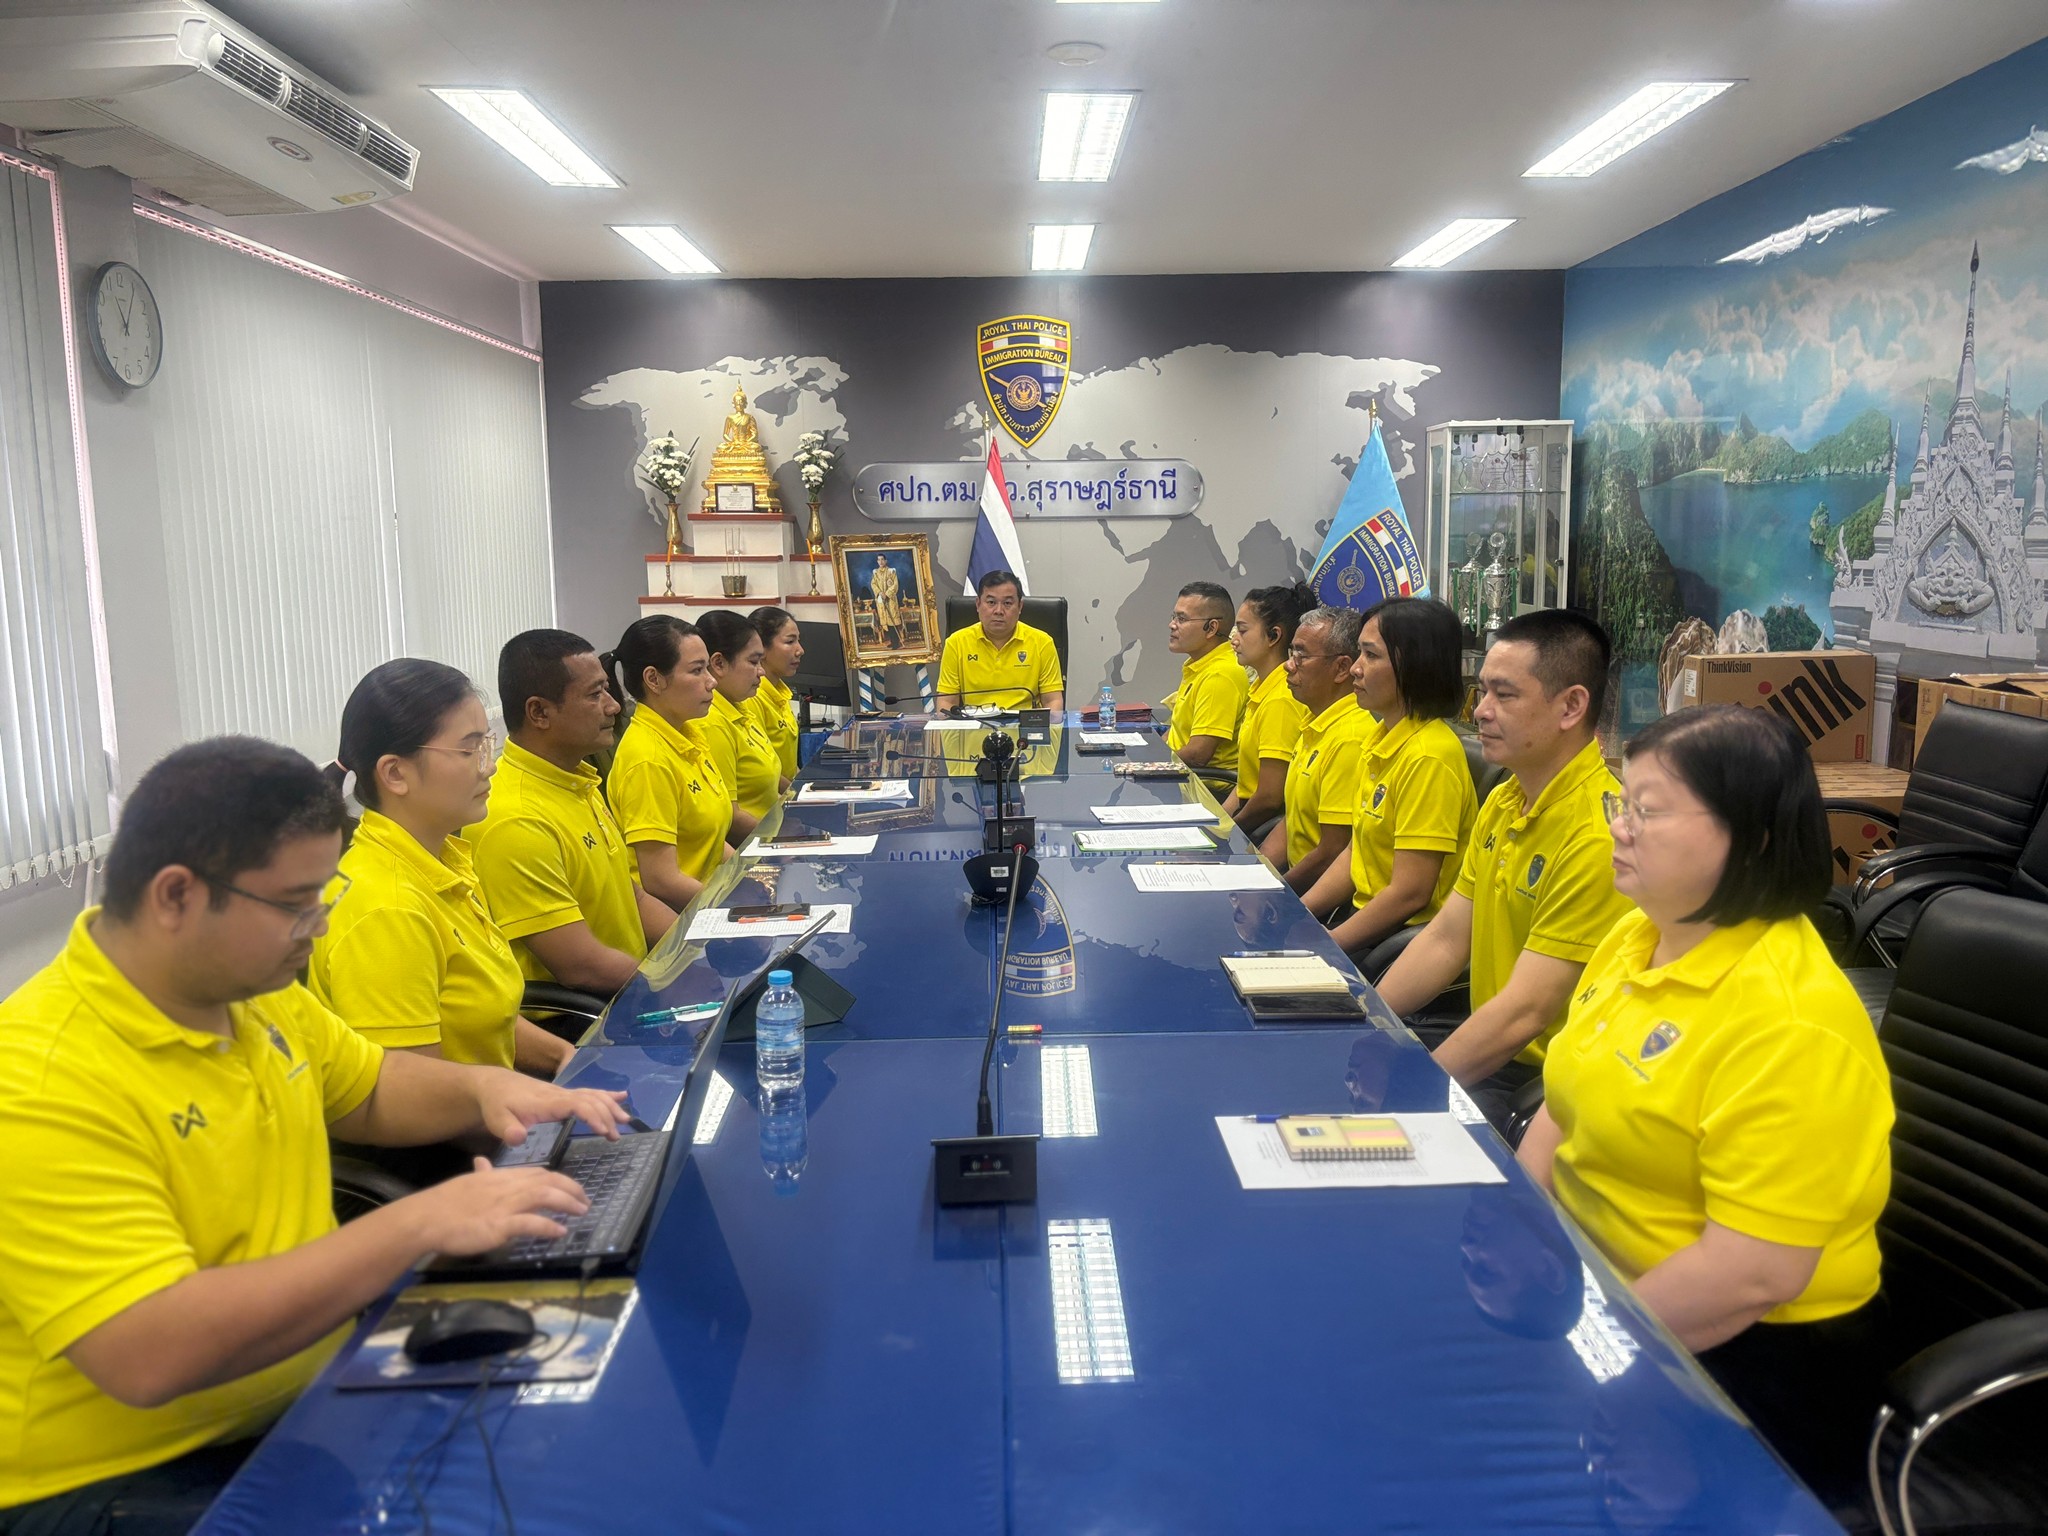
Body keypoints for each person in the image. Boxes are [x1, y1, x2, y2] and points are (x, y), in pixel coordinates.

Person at [0, 738, 628, 1530]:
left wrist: (484, 1087)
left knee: (551, 1451)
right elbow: (148, 1351)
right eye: (298, 904)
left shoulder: (249, 989)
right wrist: (418, 1225)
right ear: (176, 895)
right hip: (120, 1477)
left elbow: (369, 1088)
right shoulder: (39, 1080)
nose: (318, 926)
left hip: (303, 1391)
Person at [1519, 704, 1891, 1500]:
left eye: (1647, 811)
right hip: (1600, 1286)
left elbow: (1749, 1275)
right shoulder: (1639, 937)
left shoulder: (1789, 1021)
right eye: (1620, 801)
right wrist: (1521, 1228)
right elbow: (1558, 1106)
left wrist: (1578, 1350)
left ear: (1752, 839)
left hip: (1746, 1356)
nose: (1618, 827)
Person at [1375, 609, 1634, 1120]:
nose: (1480, 711)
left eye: (1504, 695)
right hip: (1488, 1043)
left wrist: (1406, 1093)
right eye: (1483, 692)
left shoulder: (1599, 836)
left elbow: (1526, 1014)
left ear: (1571, 706)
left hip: (1542, 1082)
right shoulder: (1505, 798)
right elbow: (1446, 939)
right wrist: (1367, 1021)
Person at [311, 660, 572, 1079]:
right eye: (469, 751)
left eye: (486, 745)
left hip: (498, 1099)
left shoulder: (442, 858)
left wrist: (565, 1057)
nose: (489, 765)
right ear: (396, 773)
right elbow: (414, 1098)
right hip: (466, 1119)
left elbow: (484, 1016)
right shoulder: (387, 910)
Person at [469, 629, 676, 996]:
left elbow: (635, 899)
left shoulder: (573, 779)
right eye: (595, 695)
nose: (614, 706)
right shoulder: (516, 819)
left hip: (630, 984)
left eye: (607, 691)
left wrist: (693, 951)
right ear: (539, 712)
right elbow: (581, 967)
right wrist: (674, 981)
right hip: (588, 1013)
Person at [1303, 598, 1476, 959]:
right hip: (1363, 922)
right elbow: (1355, 853)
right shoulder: (1381, 739)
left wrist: (1327, 945)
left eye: (1371, 655)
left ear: (1415, 665)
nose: (1355, 668)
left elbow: (1410, 894)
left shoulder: (1429, 755)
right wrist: (1299, 913)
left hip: (1402, 944)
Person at [604, 616, 733, 910]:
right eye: (697, 670)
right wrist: (731, 906)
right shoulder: (648, 759)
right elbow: (661, 880)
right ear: (654, 679)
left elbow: (710, 844)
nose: (712, 681)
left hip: (709, 897)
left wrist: (752, 876)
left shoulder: (687, 734)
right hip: (680, 915)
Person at [1257, 606, 1369, 895]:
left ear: (1342, 668)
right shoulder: (1315, 720)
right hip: (1296, 878)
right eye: (1291, 652)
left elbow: (1332, 851)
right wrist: (1255, 872)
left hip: (1320, 895)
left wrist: (1272, 894)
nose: (1288, 665)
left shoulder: (1350, 737)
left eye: (1301, 656)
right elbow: (1293, 820)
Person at [1220, 582, 1313, 833]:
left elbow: (1270, 798)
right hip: (1247, 814)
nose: (1234, 640)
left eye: (1242, 631)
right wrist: (1217, 822)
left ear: (1273, 635)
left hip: (1260, 827)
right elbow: (1244, 785)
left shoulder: (1281, 699)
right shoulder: (1262, 688)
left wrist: (1228, 833)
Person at [685, 610, 782, 844]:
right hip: (750, 845)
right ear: (719, 663)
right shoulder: (712, 722)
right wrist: (782, 839)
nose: (761, 671)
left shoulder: (741, 707)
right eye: (753, 662)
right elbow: (731, 816)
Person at [933, 569, 1064, 713]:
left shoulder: (1042, 643)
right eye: (991, 602)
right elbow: (946, 702)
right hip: (975, 722)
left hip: (1025, 724)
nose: (999, 610)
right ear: (978, 604)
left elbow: (1053, 701)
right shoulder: (956, 643)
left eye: (1007, 603)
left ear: (1020, 607)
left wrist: (1047, 726)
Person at [1164, 581, 1250, 775]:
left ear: (1211, 628)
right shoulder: (1201, 664)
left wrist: (1151, 765)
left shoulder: (1220, 675)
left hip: (1202, 785)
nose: (1172, 625)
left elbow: (1198, 754)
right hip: (1179, 775)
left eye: (1182, 619)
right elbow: (1177, 734)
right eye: (1174, 617)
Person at [748, 605, 803, 791]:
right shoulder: (753, 697)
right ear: (761, 648)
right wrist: (797, 794)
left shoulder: (780, 692)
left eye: (799, 641)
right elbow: (765, 769)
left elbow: (788, 766)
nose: (800, 650)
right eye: (790, 642)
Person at [869, 555, 904, 651]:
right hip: (881, 599)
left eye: (882, 559)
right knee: (886, 622)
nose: (880, 561)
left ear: (885, 561)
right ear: (877, 561)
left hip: (890, 600)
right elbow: (873, 584)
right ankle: (892, 641)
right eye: (879, 560)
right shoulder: (875, 573)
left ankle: (896, 642)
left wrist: (887, 594)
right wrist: (879, 592)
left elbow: (895, 585)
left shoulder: (891, 571)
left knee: (892, 621)